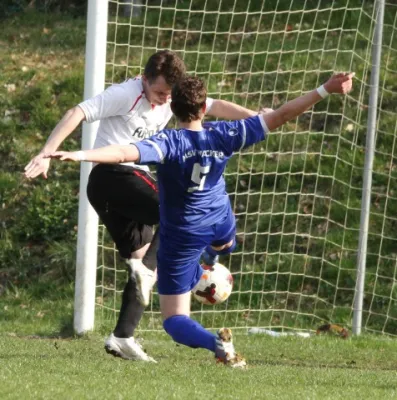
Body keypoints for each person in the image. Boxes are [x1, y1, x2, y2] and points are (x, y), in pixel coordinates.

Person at [45, 72, 354, 367]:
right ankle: (209, 261)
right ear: (205, 108)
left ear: (172, 108)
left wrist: (81, 154)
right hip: (220, 221)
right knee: (223, 243)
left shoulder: (168, 143)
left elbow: (124, 152)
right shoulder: (227, 133)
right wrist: (325, 89)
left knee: (175, 320)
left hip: (182, 232)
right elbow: (282, 115)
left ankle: (215, 341)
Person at [23, 50, 266, 362]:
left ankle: (122, 336)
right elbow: (77, 112)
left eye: (169, 94)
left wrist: (255, 117)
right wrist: (47, 152)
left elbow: (213, 105)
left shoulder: (172, 100)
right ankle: (150, 272)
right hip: (113, 177)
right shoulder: (125, 94)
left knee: (141, 260)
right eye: (159, 92)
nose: (164, 99)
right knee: (174, 218)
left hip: (117, 191)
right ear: (144, 79)